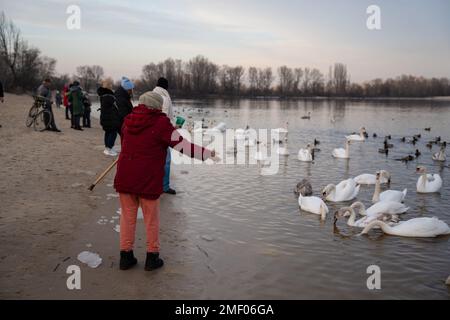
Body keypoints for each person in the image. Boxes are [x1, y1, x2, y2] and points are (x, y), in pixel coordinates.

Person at [114, 91, 217, 271]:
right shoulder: (160, 123)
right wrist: (206, 154)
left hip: (126, 176)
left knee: (127, 218)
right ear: (157, 106)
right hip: (147, 180)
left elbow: (126, 144)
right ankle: (152, 257)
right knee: (151, 220)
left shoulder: (128, 121)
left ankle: (125, 256)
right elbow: (182, 146)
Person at [153, 77, 176, 195]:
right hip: (161, 133)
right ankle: (164, 186)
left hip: (150, 132)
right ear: (165, 87)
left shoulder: (151, 94)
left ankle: (153, 183)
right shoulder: (165, 98)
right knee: (166, 160)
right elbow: (164, 117)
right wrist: (172, 128)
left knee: (153, 159)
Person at [97, 79, 121, 156]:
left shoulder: (103, 95)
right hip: (110, 118)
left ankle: (108, 147)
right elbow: (114, 106)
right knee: (113, 133)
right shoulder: (109, 96)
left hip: (105, 117)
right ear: (109, 86)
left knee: (108, 132)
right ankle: (109, 148)